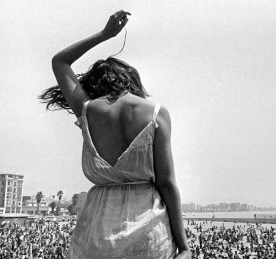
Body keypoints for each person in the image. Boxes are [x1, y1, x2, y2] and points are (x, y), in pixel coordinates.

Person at [40, 10, 190, 259]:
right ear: (131, 80)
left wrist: (105, 34)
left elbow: (60, 62)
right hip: (148, 230)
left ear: (97, 84)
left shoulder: (88, 110)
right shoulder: (156, 113)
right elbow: (166, 182)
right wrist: (184, 247)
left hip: (96, 232)